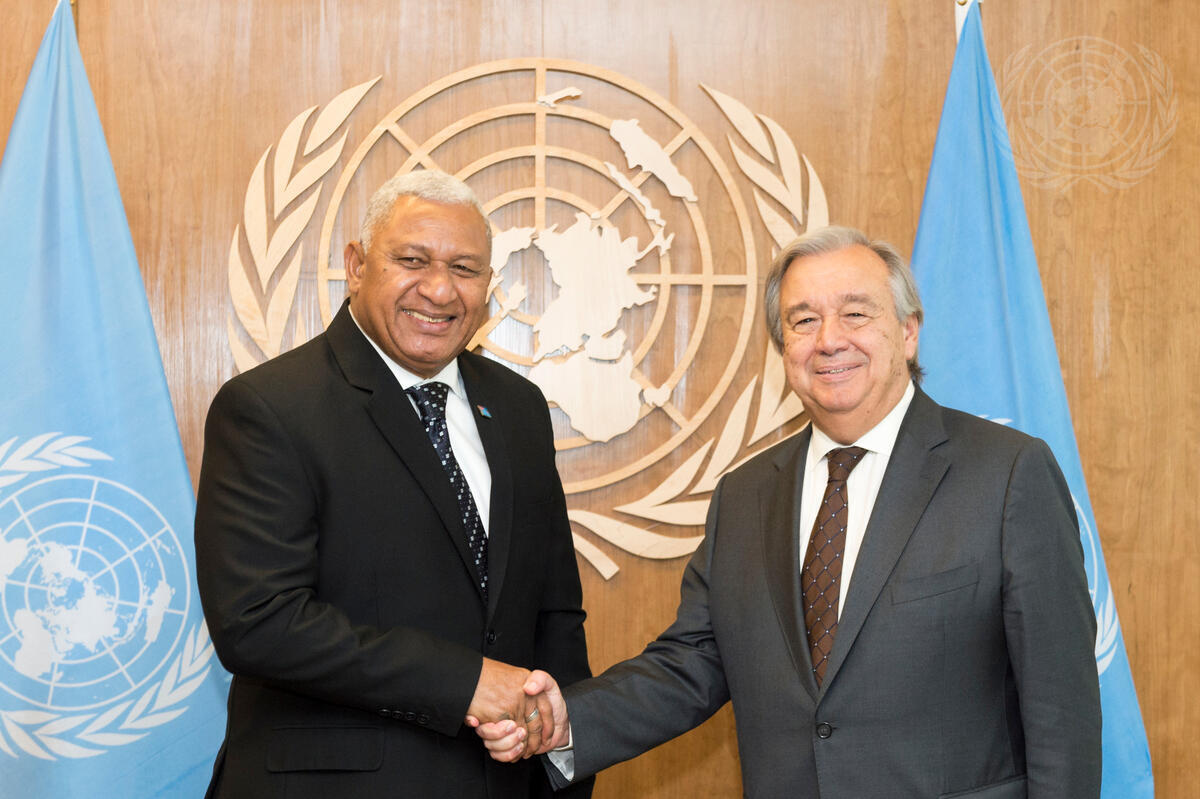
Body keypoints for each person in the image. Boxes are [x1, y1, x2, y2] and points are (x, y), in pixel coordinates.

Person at [477, 226, 1101, 798]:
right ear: (784, 348)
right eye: (804, 321)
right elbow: (693, 662)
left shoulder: (1007, 474)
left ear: (909, 332)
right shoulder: (745, 496)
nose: (829, 340)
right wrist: (566, 721)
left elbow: (1061, 710)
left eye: (856, 313)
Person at [195, 169, 592, 798]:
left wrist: (564, 759)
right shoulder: (270, 407)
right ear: (356, 266)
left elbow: (554, 611)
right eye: (412, 260)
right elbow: (259, 622)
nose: (439, 289)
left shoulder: (518, 407)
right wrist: (465, 682)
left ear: (488, 284)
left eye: (464, 268)